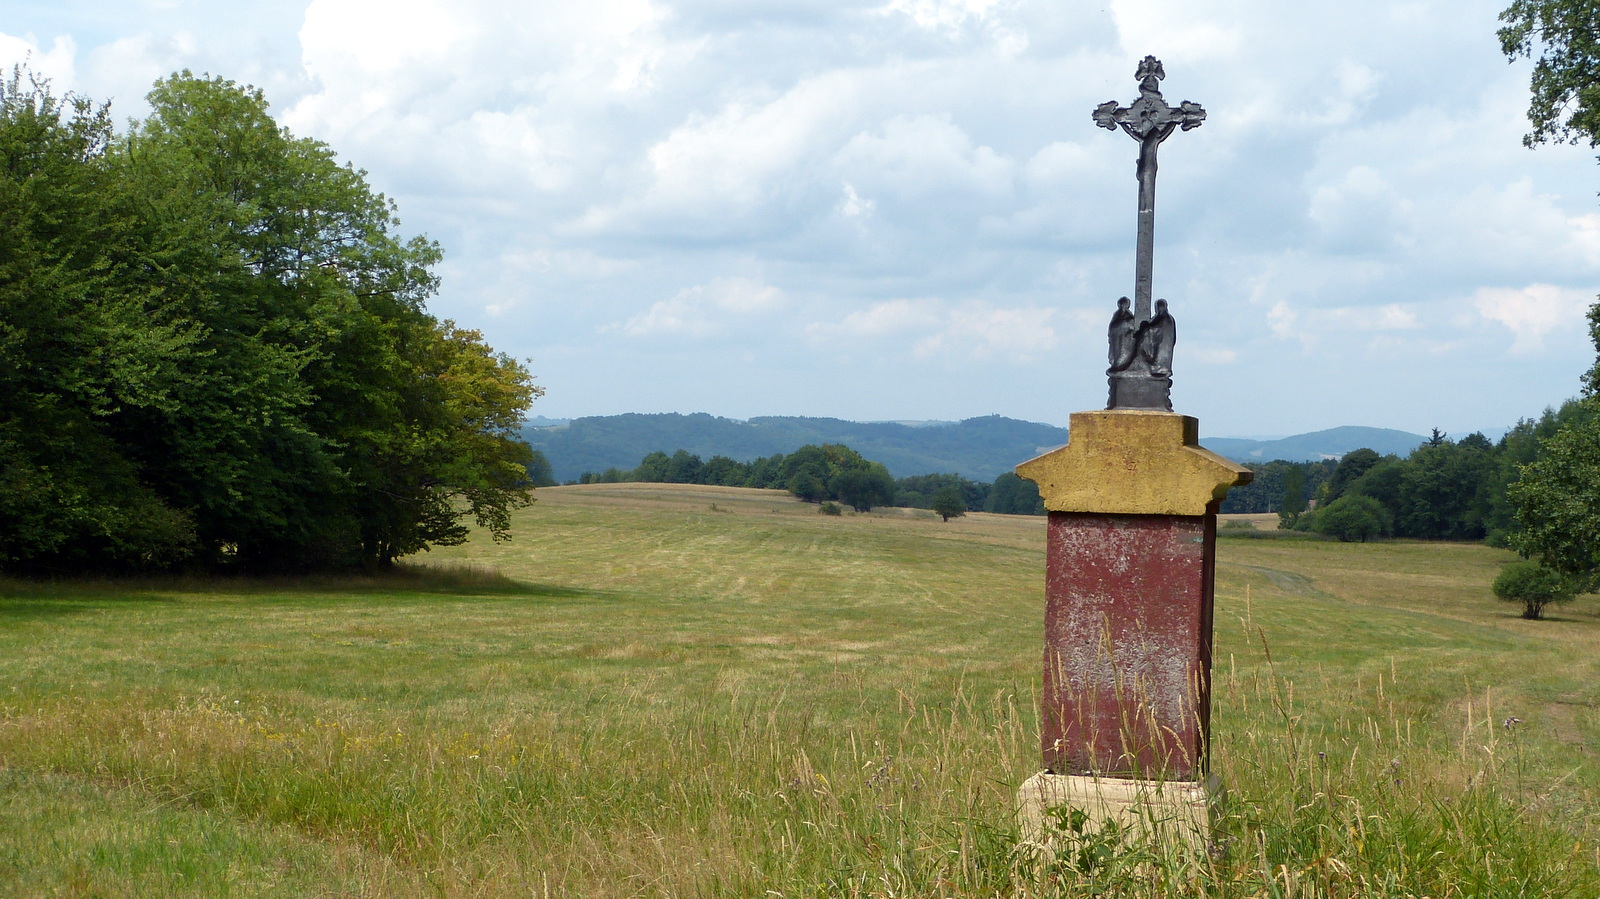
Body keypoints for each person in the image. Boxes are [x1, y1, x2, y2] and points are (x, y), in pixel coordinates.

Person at [1107, 297, 1137, 372]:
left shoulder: (1129, 315)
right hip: (1117, 338)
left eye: (1125, 304)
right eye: (1122, 305)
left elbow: (1132, 325)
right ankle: (1118, 365)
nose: (1123, 306)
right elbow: (1112, 326)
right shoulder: (1117, 314)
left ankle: (1123, 365)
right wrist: (1124, 324)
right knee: (1117, 352)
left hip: (1126, 339)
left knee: (1124, 354)